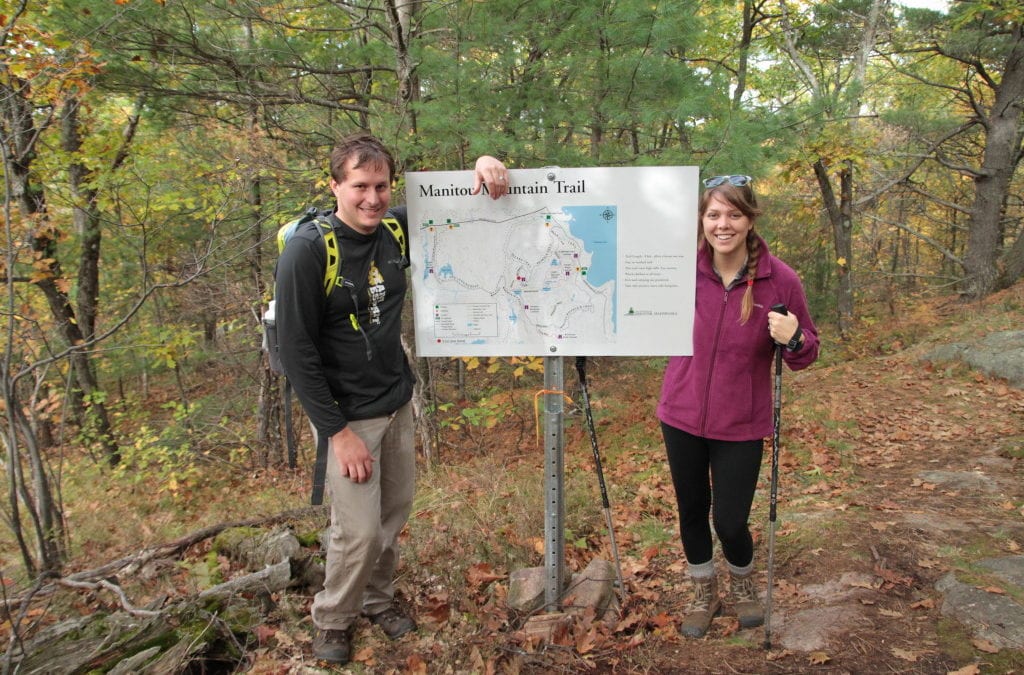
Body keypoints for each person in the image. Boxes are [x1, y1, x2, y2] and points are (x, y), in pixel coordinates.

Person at [275, 132, 509, 665]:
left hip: (395, 400)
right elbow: (296, 353)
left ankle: (377, 600)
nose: (372, 198)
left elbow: (465, 200)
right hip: (346, 416)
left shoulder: (396, 229)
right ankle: (333, 619)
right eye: (360, 186)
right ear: (336, 185)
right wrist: (338, 435)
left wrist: (484, 158)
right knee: (356, 531)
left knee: (392, 514)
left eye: (381, 185)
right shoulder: (309, 251)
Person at [656, 174, 819, 638]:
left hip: (742, 422)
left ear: (749, 220)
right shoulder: (679, 270)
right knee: (692, 511)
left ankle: (744, 584)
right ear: (701, 220)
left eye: (733, 214)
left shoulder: (779, 278)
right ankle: (703, 590)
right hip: (681, 414)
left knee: (729, 520)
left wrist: (796, 340)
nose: (722, 224)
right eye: (713, 214)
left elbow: (807, 353)